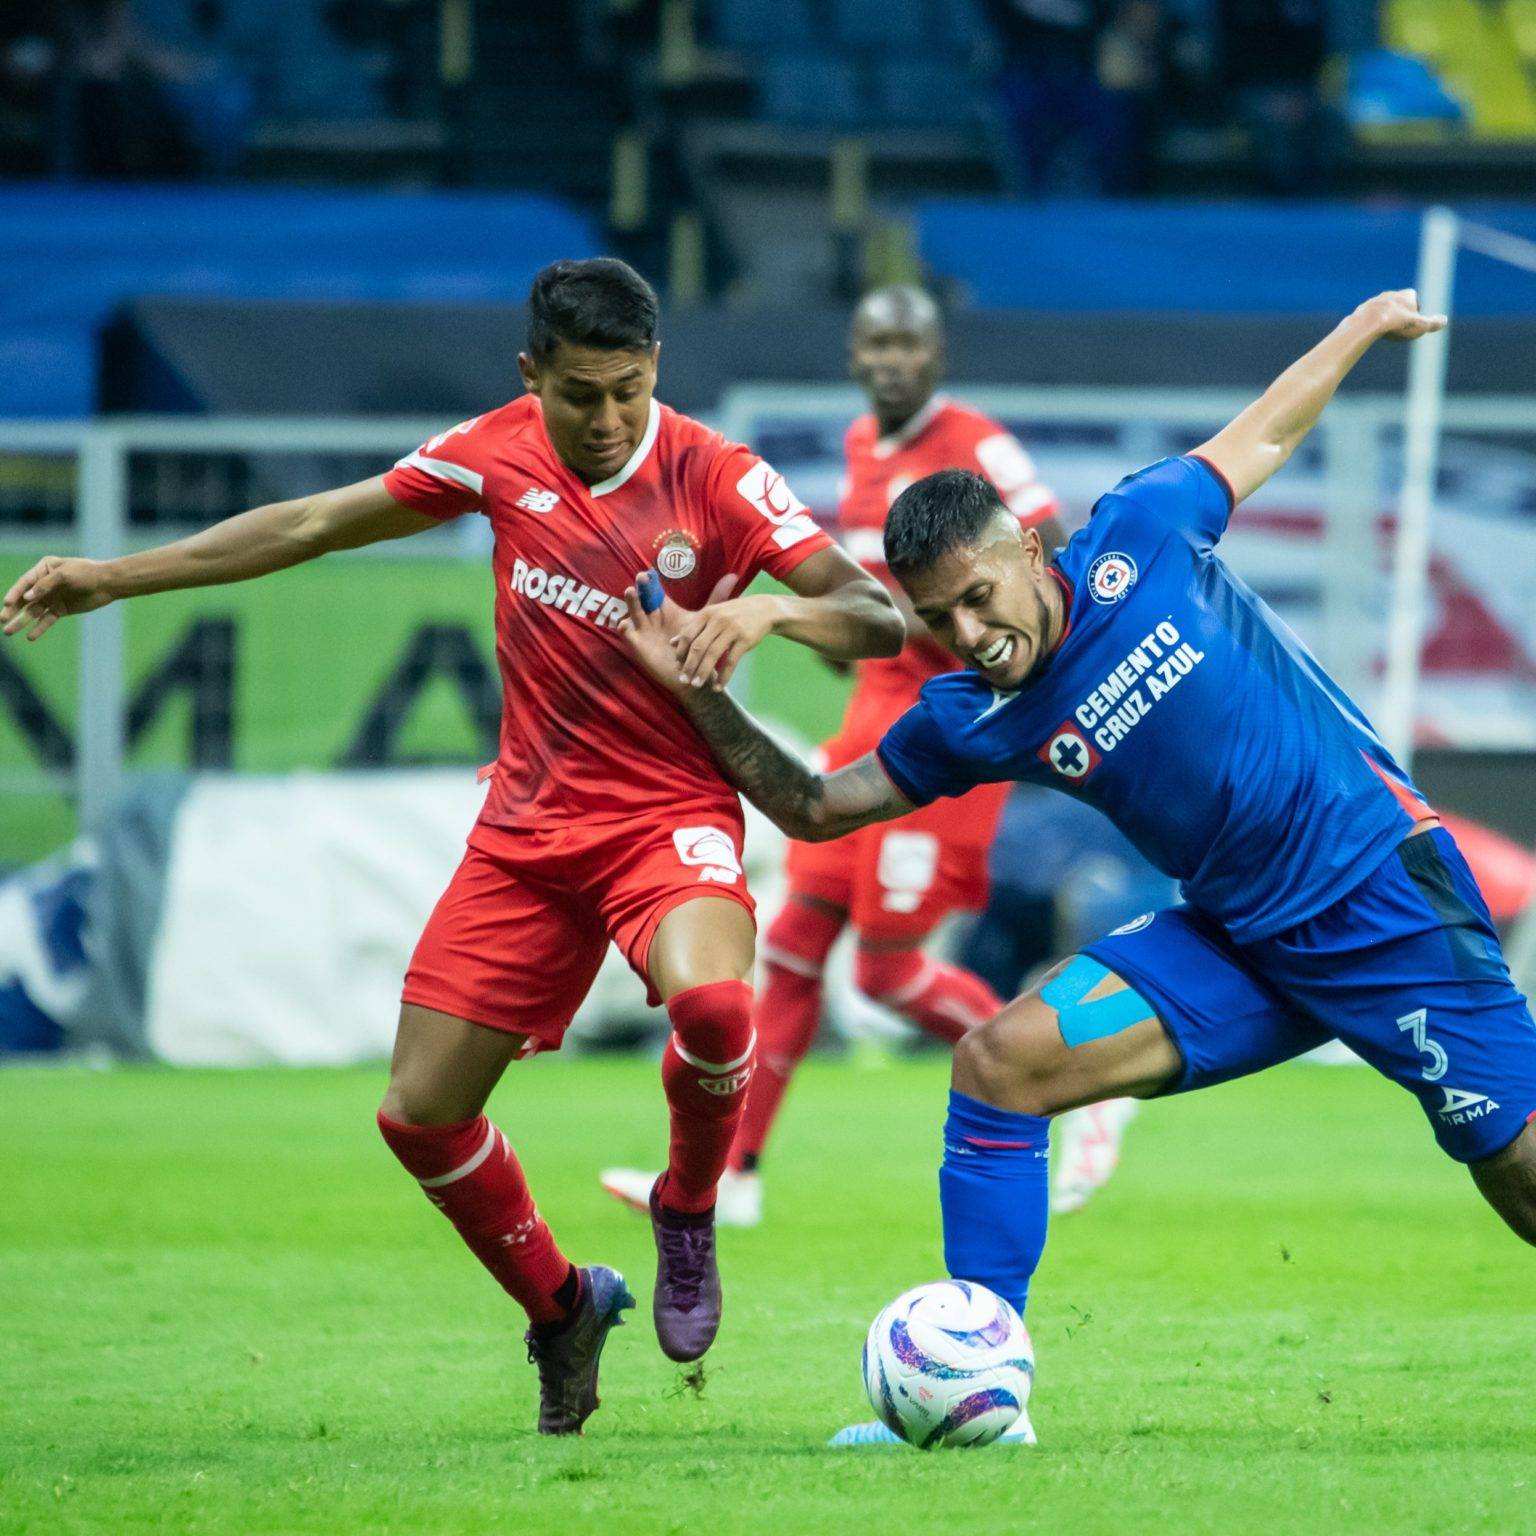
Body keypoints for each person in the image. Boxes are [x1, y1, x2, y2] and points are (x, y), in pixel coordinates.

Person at [615, 289, 1536, 1448]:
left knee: (1521, 1176)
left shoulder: (1144, 533)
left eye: (979, 597)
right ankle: (982, 1392)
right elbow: (813, 807)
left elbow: (1265, 432)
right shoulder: (975, 717)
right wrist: (699, 693)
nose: (969, 635)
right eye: (940, 620)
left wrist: (1357, 331)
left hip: (1380, 896)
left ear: (1029, 549)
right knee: (999, 1063)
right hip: (1238, 941)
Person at [0, 258, 903, 1435]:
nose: (608, 418)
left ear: (657, 370)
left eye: (629, 389)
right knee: (419, 1118)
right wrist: (107, 579)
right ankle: (565, 1310)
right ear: (531, 377)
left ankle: (690, 1207)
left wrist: (770, 607)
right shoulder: (495, 451)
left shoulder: (717, 477)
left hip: (665, 815)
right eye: (582, 393)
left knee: (718, 1011)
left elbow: (880, 618)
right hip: (527, 831)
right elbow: (316, 521)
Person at [601, 284, 1131, 1226]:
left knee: (887, 973)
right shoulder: (859, 449)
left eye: (907, 345)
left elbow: (1056, 560)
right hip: (870, 718)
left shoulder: (977, 446)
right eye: (874, 344)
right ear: (852, 354)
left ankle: (1091, 1080)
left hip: (946, 730)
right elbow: (869, 625)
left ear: (936, 356)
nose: (890, 361)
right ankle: (737, 1176)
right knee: (798, 943)